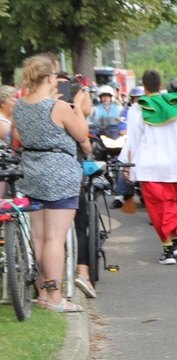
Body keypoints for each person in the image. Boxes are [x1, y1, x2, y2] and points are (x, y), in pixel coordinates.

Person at [12, 52, 92, 312]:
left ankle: (41, 292)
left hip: (31, 171)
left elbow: (19, 137)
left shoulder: (20, 106)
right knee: (55, 238)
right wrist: (77, 107)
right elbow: (82, 136)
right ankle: (55, 296)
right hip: (58, 173)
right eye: (56, 75)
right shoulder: (57, 107)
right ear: (49, 77)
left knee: (37, 235)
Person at [118, 69, 177, 264]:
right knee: (169, 202)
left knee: (157, 208)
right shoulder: (175, 103)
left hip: (150, 164)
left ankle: (168, 248)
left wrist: (128, 166)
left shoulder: (139, 108)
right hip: (174, 163)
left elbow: (133, 141)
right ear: (161, 85)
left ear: (143, 87)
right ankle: (175, 243)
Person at [55, 71, 97, 298]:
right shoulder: (70, 110)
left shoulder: (39, 108)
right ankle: (83, 273)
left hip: (44, 175)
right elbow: (86, 144)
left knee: (48, 233)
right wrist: (78, 106)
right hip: (71, 174)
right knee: (80, 226)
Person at [110, 85, 144, 210]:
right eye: (136, 98)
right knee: (124, 164)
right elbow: (122, 123)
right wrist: (123, 129)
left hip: (146, 144)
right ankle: (119, 195)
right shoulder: (128, 111)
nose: (138, 100)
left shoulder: (149, 109)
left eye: (140, 98)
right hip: (132, 142)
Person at [0, 84, 17, 198]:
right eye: (13, 99)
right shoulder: (1, 121)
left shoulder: (9, 119)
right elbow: (12, 138)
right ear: (3, 103)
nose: (16, 102)